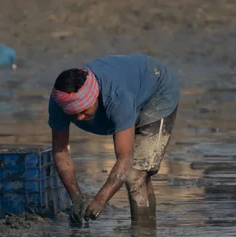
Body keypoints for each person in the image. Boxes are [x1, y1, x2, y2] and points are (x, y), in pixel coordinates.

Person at [48, 53, 180, 224]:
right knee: (139, 176)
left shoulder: (117, 98)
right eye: (73, 114)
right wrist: (76, 198)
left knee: (135, 175)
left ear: (95, 96)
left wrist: (101, 199)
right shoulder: (59, 102)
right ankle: (145, 234)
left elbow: (125, 157)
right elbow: (61, 151)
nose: (79, 118)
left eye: (83, 110)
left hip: (156, 92)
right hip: (130, 91)